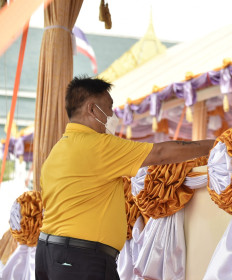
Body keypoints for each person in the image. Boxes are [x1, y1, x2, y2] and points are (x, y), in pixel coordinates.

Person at [35, 76, 215, 280]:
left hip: (49, 254)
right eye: (109, 107)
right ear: (92, 109)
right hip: (80, 259)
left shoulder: (57, 151)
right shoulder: (98, 145)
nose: (112, 114)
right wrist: (214, 145)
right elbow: (160, 153)